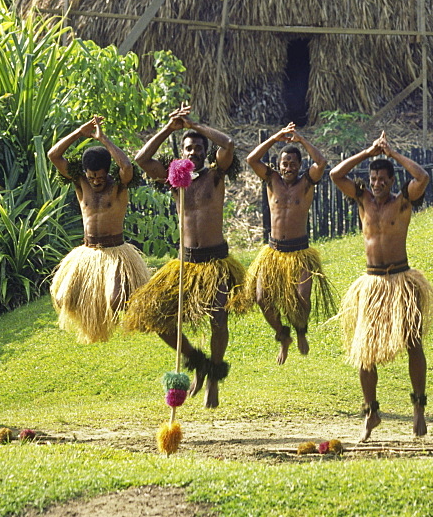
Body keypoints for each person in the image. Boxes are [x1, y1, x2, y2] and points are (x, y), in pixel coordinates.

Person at [123, 105, 248, 408]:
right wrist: (170, 128)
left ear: (205, 152)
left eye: (198, 149)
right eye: (188, 148)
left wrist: (195, 125)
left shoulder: (216, 176)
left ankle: (214, 379)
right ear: (181, 153)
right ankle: (197, 360)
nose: (193, 153)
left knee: (219, 322)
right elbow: (141, 160)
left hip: (215, 263)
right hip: (185, 263)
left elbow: (229, 145)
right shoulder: (174, 179)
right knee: (156, 318)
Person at [330, 132, 433, 441]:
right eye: (373, 178)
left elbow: (423, 176)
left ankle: (418, 408)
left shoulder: (403, 201)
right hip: (373, 283)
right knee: (365, 353)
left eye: (382, 178)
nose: (376, 183)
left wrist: (393, 155)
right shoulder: (362, 199)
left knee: (413, 344)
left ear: (391, 181)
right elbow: (337, 174)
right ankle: (371, 412)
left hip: (401, 281)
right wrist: (367, 153)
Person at [46, 116, 150, 344]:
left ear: (107, 172)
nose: (95, 181)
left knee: (116, 300)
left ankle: (139, 313)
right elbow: (53, 156)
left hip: (116, 252)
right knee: (63, 298)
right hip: (87, 252)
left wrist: (103, 139)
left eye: (100, 177)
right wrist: (78, 133)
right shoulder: (79, 182)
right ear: (85, 172)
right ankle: (93, 316)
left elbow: (126, 166)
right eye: (92, 176)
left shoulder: (119, 185)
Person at [245, 123, 335, 365]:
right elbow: (251, 159)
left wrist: (301, 140)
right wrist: (275, 138)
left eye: (293, 164)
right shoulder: (271, 179)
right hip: (273, 253)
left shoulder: (306, 183)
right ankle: (283, 335)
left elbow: (322, 163)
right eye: (285, 164)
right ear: (279, 165)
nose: (288, 168)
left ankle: (301, 331)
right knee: (262, 298)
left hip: (300, 252)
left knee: (302, 297)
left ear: (299, 166)